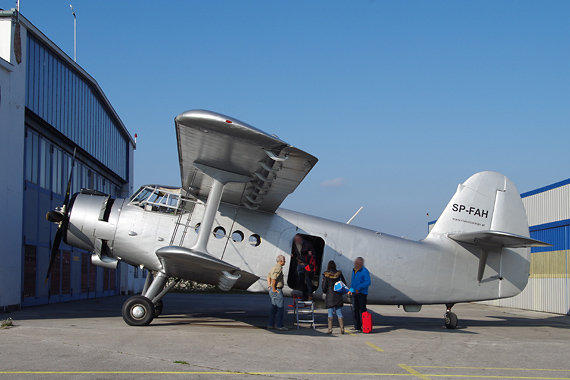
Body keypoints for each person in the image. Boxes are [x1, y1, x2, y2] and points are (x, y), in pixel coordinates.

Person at [321, 260, 346, 334]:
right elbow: (344, 283)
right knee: (339, 312)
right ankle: (342, 329)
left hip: (330, 296)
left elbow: (324, 287)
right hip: (338, 295)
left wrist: (326, 290)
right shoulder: (339, 274)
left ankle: (330, 329)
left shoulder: (326, 275)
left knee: (330, 313)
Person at [348, 257, 371, 332]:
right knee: (355, 310)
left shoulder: (364, 271)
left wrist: (359, 288)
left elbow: (368, 282)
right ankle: (357, 326)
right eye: (355, 262)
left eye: (357, 263)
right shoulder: (354, 270)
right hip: (355, 293)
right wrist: (351, 290)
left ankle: (365, 326)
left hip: (362, 293)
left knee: (362, 310)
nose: (355, 264)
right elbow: (353, 282)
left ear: (361, 263)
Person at [292, 234, 316, 300]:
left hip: (306, 264)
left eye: (297, 239)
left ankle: (310, 295)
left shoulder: (307, 244)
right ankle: (304, 295)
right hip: (299, 264)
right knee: (301, 280)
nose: (296, 241)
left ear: (301, 239)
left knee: (308, 280)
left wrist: (310, 254)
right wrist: (293, 255)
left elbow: (313, 252)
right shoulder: (295, 245)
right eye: (295, 239)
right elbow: (296, 252)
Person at [267, 255, 288, 331]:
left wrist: (269, 286)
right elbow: (273, 278)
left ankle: (270, 324)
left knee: (274, 308)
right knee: (280, 309)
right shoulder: (278, 268)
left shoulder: (274, 267)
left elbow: (268, 276)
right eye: (284, 260)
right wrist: (273, 288)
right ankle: (279, 325)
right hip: (277, 290)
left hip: (273, 290)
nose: (285, 262)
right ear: (281, 261)